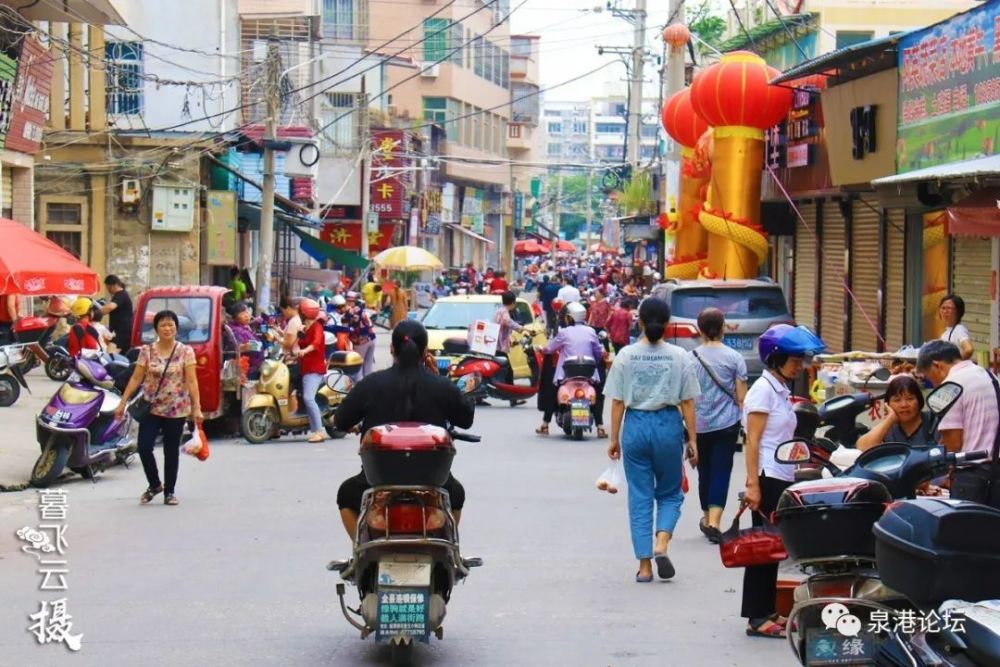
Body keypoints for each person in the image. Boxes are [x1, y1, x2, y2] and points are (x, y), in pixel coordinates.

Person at [334, 320, 475, 539]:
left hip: (377, 480)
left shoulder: (371, 384)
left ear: (392, 348)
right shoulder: (440, 385)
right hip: (434, 481)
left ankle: (360, 551)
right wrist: (440, 379)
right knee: (456, 495)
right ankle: (447, 548)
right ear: (425, 352)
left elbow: (340, 421)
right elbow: (466, 419)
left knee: (346, 494)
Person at [605, 297, 700, 582]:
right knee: (671, 493)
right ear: (668, 324)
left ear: (641, 323)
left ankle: (645, 567)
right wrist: (692, 440)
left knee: (640, 496)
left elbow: (618, 402)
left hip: (635, 426)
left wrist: (614, 439)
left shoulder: (625, 356)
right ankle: (661, 542)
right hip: (668, 426)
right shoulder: (680, 356)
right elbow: (688, 403)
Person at [741, 324, 826, 638]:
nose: (799, 364)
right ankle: (756, 616)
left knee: (773, 546)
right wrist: (752, 484)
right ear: (775, 358)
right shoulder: (763, 391)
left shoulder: (779, 389)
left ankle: (766, 609)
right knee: (762, 548)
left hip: (781, 475)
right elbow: (753, 441)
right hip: (767, 477)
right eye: (793, 359)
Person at [115, 310, 202, 506]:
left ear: (176, 328)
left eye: (171, 324)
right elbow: (136, 377)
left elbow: (192, 381)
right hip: (151, 407)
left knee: (171, 451)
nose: (167, 328)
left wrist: (197, 407)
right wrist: (122, 402)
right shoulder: (147, 351)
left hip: (176, 409)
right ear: (156, 329)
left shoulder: (185, 351)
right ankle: (154, 484)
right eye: (163, 325)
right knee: (144, 447)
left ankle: (169, 492)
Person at [690, 308, 748, 543]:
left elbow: (685, 397)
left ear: (700, 329)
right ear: (723, 327)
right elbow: (742, 397)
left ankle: (706, 517)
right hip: (727, 423)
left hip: (699, 425)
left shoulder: (689, 358)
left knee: (704, 471)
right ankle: (714, 521)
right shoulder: (735, 358)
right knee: (721, 470)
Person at [917, 340, 999, 455]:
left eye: (929, 378)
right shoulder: (988, 374)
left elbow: (953, 444)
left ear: (936, 366)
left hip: (975, 467)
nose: (934, 385)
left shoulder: (950, 386)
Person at [541, 302, 608, 437]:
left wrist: (542, 349)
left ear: (570, 317)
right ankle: (600, 427)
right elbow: (599, 352)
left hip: (566, 373)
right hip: (588, 373)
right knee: (599, 395)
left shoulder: (564, 332)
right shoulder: (591, 332)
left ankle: (545, 425)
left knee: (552, 392)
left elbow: (549, 349)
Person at [857, 374, 936, 451]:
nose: (904, 405)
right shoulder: (888, 427)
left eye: (910, 398)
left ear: (919, 401)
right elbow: (862, 448)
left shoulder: (933, 422)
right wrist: (890, 419)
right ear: (888, 404)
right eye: (897, 400)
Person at [296, 298, 328, 443]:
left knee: (309, 398)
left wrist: (304, 351)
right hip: (306, 368)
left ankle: (319, 431)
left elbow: (316, 343)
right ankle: (314, 428)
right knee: (305, 397)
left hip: (314, 369)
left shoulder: (317, 327)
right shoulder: (306, 328)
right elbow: (299, 343)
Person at [492, 291, 525, 385]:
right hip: (499, 346)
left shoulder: (500, 310)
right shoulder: (504, 312)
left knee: (506, 370)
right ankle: (511, 395)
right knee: (509, 371)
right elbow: (508, 322)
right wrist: (520, 328)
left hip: (497, 344)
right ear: (513, 303)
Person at [227, 301, 263, 379]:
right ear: (235, 316)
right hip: (246, 371)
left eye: (247, 312)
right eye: (242, 313)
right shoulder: (235, 330)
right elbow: (237, 347)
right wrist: (249, 346)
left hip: (254, 367)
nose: (247, 315)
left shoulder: (245, 327)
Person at [343, 291, 376, 378]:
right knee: (368, 366)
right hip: (372, 339)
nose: (348, 303)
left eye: (349, 301)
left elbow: (344, 327)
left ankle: (361, 389)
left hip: (361, 342)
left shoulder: (350, 312)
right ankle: (370, 388)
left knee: (358, 366)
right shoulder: (362, 310)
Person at [101, 275, 134, 354]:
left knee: (110, 355)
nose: (108, 290)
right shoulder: (120, 295)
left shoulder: (121, 295)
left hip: (122, 333)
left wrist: (97, 313)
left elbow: (111, 307)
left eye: (108, 288)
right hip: (119, 332)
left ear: (114, 285)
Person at [938, 294, 974, 360]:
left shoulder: (959, 329)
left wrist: (955, 363)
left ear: (958, 312)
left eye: (949, 308)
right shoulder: (945, 333)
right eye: (943, 308)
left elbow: (968, 350)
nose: (945, 311)